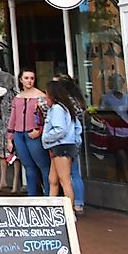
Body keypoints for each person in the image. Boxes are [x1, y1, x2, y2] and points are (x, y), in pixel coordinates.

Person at [45, 76, 86, 214]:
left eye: (47, 93)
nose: (45, 96)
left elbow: (60, 129)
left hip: (60, 146)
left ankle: (70, 212)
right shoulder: (66, 108)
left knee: (65, 180)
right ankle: (52, 209)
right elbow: (77, 128)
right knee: (53, 179)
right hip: (64, 146)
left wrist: (46, 138)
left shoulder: (57, 109)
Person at [7, 70, 51, 196]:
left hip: (34, 133)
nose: (29, 80)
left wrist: (40, 130)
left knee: (44, 165)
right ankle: (32, 196)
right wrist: (10, 138)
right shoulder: (17, 98)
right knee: (28, 166)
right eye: (26, 78)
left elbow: (47, 117)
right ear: (21, 80)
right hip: (19, 134)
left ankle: (48, 195)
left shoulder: (41, 96)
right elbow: (13, 118)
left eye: (32, 78)